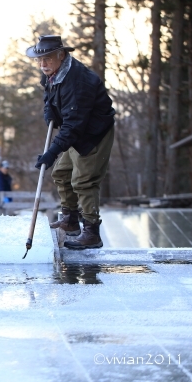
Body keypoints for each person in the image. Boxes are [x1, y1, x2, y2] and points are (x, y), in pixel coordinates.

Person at [26, 35, 115, 249]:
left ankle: (92, 232)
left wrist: (53, 151)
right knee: (61, 173)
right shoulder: (51, 74)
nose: (42, 64)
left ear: (61, 55)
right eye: (39, 59)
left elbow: (73, 125)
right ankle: (70, 221)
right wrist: (49, 113)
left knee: (83, 181)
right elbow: (48, 97)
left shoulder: (78, 82)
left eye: (47, 58)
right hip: (76, 130)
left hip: (93, 133)